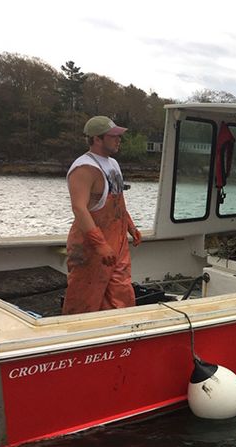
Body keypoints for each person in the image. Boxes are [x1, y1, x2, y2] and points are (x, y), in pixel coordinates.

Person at [62, 116, 142, 314]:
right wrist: (100, 244)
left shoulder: (113, 163)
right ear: (97, 139)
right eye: (113, 136)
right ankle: (77, 338)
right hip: (89, 247)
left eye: (118, 136)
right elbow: (79, 209)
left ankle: (120, 337)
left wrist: (130, 227)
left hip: (117, 242)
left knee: (121, 294)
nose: (118, 140)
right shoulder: (84, 169)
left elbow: (118, 201)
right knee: (84, 298)